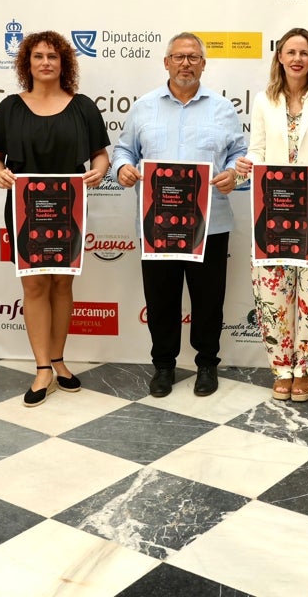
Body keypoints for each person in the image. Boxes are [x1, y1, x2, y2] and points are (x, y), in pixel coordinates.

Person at [111, 33, 247, 399]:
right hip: (157, 224)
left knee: (208, 299)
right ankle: (164, 366)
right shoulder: (143, 107)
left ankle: (206, 364)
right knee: (161, 299)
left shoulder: (222, 108)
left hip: (210, 224)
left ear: (204, 64)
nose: (185, 63)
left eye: (193, 57)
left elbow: (241, 153)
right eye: (178, 57)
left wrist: (234, 173)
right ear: (166, 62)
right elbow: (123, 150)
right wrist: (123, 168)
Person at [0, 31, 110, 407]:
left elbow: (100, 155)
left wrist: (99, 171)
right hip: (25, 210)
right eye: (38, 56)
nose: (45, 62)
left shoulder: (83, 106)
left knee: (61, 285)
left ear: (63, 63)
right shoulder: (10, 107)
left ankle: (59, 360)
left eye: (52, 56)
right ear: (28, 63)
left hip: (69, 209)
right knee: (35, 287)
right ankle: (42, 368)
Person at [234, 27, 308, 402]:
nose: (297, 58)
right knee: (274, 295)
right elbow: (257, 150)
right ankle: (282, 368)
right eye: (290, 52)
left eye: (304, 52)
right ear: (279, 57)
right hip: (273, 218)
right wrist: (248, 164)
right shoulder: (264, 101)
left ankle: (304, 369)